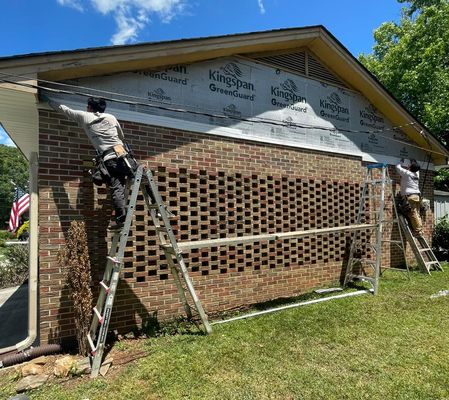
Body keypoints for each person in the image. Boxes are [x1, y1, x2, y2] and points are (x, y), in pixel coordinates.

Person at [45, 96, 132, 230]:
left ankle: (121, 220)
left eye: (87, 107)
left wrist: (48, 99)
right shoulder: (111, 117)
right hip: (122, 156)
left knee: (117, 189)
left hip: (109, 161)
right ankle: (156, 204)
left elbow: (65, 110)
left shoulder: (85, 116)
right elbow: (121, 136)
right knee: (143, 175)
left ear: (90, 108)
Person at [396, 158, 423, 237]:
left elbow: (397, 167)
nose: (408, 165)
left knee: (413, 214)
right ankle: (419, 229)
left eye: (409, 165)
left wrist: (401, 161)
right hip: (417, 196)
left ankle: (418, 231)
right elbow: (417, 168)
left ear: (410, 168)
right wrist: (414, 162)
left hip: (410, 196)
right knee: (416, 214)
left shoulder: (407, 173)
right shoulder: (416, 174)